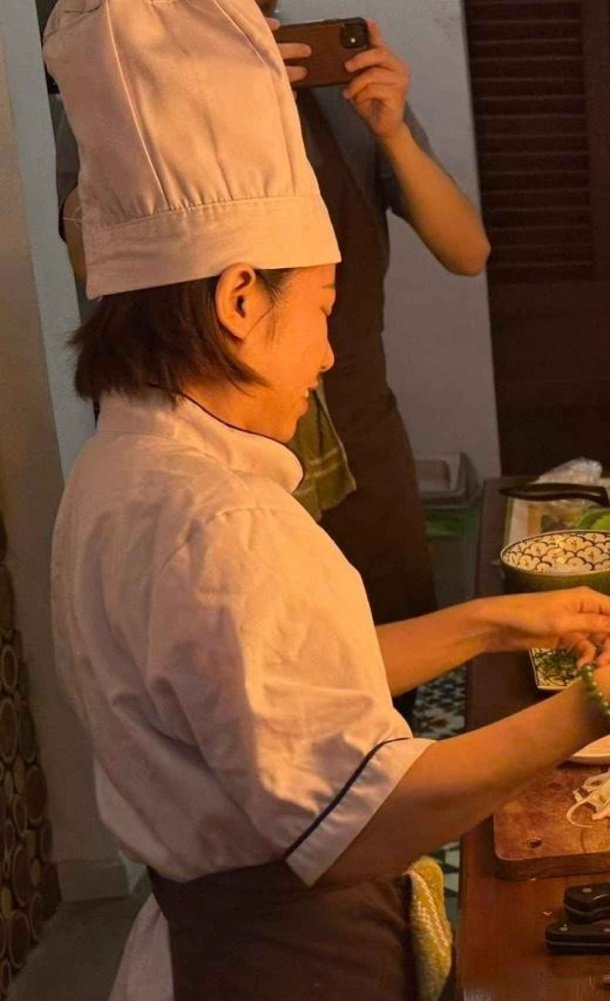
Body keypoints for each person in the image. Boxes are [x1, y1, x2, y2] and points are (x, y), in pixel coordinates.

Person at [42, 3, 610, 999]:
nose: (327, 355)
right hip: (293, 962)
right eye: (322, 307)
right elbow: (367, 815)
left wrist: (496, 621)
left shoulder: (128, 465)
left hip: (219, 937)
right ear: (240, 299)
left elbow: (272, 687)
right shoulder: (226, 524)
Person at [55, 0, 489, 722]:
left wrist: (391, 132)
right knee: (261, 694)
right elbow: (93, 263)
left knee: (386, 670)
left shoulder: (341, 104)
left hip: (357, 433)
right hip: (220, 431)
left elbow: (468, 251)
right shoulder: (129, 87)